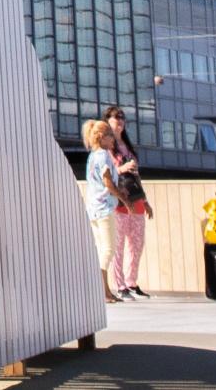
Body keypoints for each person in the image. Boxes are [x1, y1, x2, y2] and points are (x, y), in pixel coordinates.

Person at [100, 104, 149, 298]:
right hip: (119, 202)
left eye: (122, 117)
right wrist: (123, 167)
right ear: (107, 121)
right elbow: (107, 175)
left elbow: (136, 176)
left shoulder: (127, 146)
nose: (119, 121)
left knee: (136, 244)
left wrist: (145, 200)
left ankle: (132, 282)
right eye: (115, 117)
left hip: (135, 199)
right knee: (118, 245)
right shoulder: (105, 149)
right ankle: (120, 285)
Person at [81, 120, 131, 302]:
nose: (113, 140)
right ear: (101, 137)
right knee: (108, 250)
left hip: (93, 207)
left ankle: (105, 291)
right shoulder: (103, 155)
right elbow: (108, 182)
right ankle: (103, 291)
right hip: (104, 208)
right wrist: (125, 200)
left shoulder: (93, 156)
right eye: (110, 135)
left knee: (102, 249)